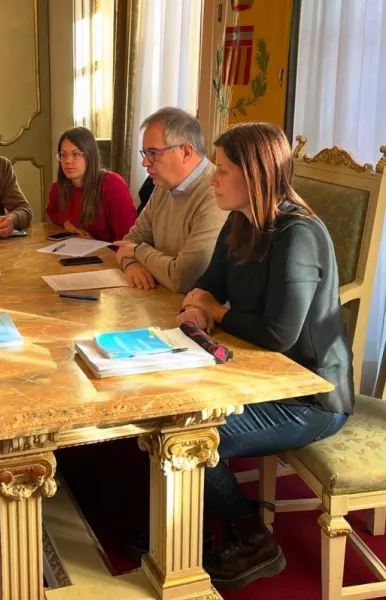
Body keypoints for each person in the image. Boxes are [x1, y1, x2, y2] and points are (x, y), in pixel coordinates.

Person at [178, 122, 353, 591]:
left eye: (222, 169)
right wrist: (201, 302)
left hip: (312, 396)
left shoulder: (298, 235)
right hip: (260, 378)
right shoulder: (240, 221)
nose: (212, 178)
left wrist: (215, 311)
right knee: (176, 418)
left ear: (254, 175)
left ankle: (254, 538)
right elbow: (210, 283)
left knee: (195, 439)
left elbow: (279, 333)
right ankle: (180, 532)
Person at [115, 107, 227, 293]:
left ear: (186, 152)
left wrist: (138, 251)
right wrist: (131, 265)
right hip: (160, 304)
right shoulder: (162, 187)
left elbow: (184, 278)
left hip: (198, 316)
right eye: (145, 153)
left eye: (153, 153)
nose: (145, 162)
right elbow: (128, 241)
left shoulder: (216, 194)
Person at [46, 126, 136, 242]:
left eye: (76, 154)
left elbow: (128, 238)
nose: (67, 161)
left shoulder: (112, 185)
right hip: (77, 253)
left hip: (112, 255)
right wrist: (64, 222)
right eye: (63, 154)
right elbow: (52, 211)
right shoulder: (58, 187)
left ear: (89, 155)